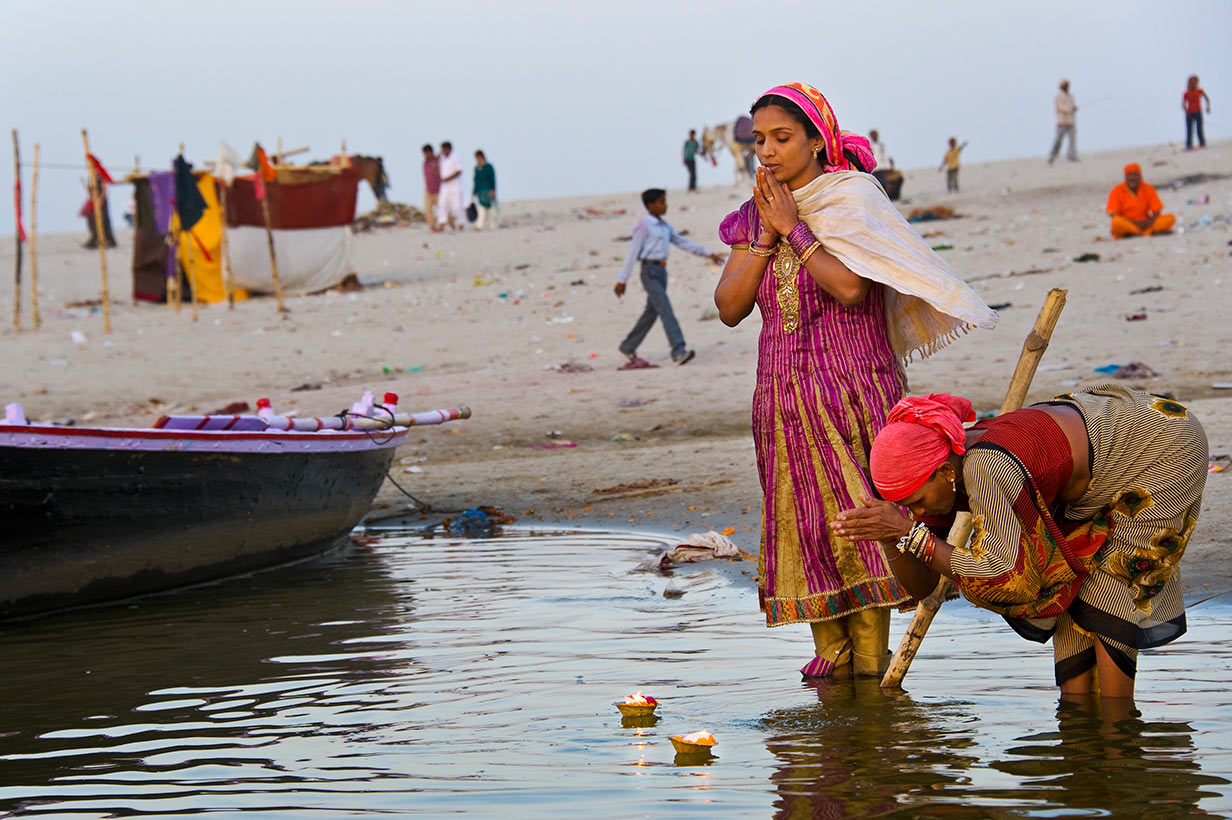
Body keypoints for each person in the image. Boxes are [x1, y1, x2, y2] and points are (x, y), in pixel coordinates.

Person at [713, 82, 997, 681]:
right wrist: (766, 234)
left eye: (782, 138)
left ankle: (871, 673)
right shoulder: (750, 219)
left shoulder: (850, 200)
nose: (766, 151)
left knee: (864, 526)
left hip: (853, 391)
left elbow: (850, 288)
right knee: (811, 528)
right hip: (783, 401)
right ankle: (837, 667)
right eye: (760, 140)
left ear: (818, 141)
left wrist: (795, 228)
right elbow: (730, 307)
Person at [831, 387, 1207, 699]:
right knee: (1069, 597)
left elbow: (1004, 574)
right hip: (1091, 471)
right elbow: (925, 585)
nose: (915, 511)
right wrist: (891, 537)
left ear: (945, 473)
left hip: (1160, 445)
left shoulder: (984, 468)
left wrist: (912, 535)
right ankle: (1078, 731)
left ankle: (1117, 732)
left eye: (916, 503)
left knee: (1111, 593)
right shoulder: (942, 481)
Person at [615, 188, 723, 366]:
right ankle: (678, 350)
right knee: (665, 310)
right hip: (649, 271)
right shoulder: (643, 227)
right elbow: (631, 253)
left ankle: (628, 346)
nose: (665, 205)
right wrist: (622, 280)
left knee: (651, 313)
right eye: (661, 202)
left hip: (661, 272)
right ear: (650, 205)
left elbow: (683, 243)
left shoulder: (665, 227)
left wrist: (708, 254)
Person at [1106, 163, 1175, 238]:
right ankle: (1147, 232)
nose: (1132, 178)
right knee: (1116, 222)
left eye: (1135, 175)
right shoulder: (1117, 190)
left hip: (1146, 223)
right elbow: (1113, 214)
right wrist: (1135, 223)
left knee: (1170, 218)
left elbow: (1157, 211)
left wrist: (1149, 222)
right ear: (1125, 177)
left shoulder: (1148, 189)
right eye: (1129, 175)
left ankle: (1136, 233)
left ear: (1140, 176)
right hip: (1128, 223)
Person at [79, 175, 116, 249]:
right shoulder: (91, 177)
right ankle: (97, 240)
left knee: (102, 221)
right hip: (94, 203)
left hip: (101, 204)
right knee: (92, 221)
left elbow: (104, 190)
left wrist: (101, 200)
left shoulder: (100, 177)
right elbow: (90, 192)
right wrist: (83, 183)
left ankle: (106, 241)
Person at [435, 141, 465, 231]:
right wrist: (437, 160)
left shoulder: (455, 157)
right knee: (442, 204)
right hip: (444, 187)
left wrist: (448, 178)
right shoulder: (442, 159)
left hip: (455, 186)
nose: (442, 151)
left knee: (457, 206)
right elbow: (437, 170)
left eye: (443, 149)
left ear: (448, 149)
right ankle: (442, 224)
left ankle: (461, 223)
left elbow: (459, 171)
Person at [868, 129, 903, 201]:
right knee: (881, 183)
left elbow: (884, 156)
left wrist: (889, 164)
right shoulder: (870, 146)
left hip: (884, 167)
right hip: (876, 169)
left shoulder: (881, 145)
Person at [1049, 79, 1078, 163]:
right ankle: (1053, 155)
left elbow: (1072, 106)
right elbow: (1061, 107)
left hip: (1071, 121)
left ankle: (1072, 155)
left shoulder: (1071, 96)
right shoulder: (1058, 97)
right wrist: (1070, 109)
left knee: (1072, 139)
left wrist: (1074, 108)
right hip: (1062, 122)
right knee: (1058, 140)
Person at [1183, 75, 1211, 150]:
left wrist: (1208, 107)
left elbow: (1207, 98)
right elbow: (1183, 103)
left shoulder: (1199, 91)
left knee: (1199, 129)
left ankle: (1202, 143)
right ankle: (1189, 145)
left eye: (1194, 82)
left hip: (1198, 112)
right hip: (1190, 113)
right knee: (1189, 130)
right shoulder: (1186, 93)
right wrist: (1186, 111)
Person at [472, 150, 498, 230]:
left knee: (487, 209)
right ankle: (482, 225)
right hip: (480, 191)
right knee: (482, 209)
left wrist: (493, 189)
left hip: (487, 190)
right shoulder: (476, 168)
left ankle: (486, 225)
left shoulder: (488, 167)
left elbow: (492, 178)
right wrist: (474, 191)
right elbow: (475, 180)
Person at [421, 144, 442, 232]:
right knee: (427, 210)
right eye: (424, 154)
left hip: (438, 190)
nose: (425, 155)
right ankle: (432, 226)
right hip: (428, 190)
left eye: (426, 153)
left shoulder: (438, 161)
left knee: (443, 210)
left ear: (430, 152)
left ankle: (451, 223)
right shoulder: (425, 163)